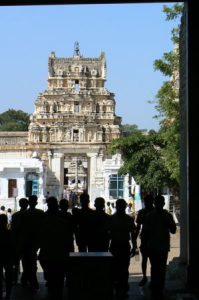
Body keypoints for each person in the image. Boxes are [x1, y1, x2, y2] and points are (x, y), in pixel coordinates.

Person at [142, 194, 177, 300]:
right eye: (158, 203)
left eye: (160, 203)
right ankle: (157, 289)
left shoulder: (164, 216)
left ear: (162, 204)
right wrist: (144, 245)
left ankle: (158, 289)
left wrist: (169, 224)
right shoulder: (153, 216)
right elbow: (145, 233)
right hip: (156, 246)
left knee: (158, 269)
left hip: (160, 246)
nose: (158, 204)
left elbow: (173, 230)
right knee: (158, 269)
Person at [108, 198, 137, 300]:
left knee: (116, 268)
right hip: (123, 246)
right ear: (125, 207)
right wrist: (134, 247)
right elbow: (133, 235)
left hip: (115, 246)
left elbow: (108, 235)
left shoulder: (111, 219)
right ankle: (123, 289)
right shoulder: (128, 219)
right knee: (124, 268)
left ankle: (117, 288)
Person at [19, 195, 45, 290]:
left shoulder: (23, 214)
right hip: (35, 242)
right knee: (32, 264)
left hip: (25, 242)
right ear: (36, 202)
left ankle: (26, 281)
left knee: (26, 263)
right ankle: (32, 281)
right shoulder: (40, 213)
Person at [135, 194, 154, 286]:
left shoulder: (142, 212)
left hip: (148, 238)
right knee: (150, 259)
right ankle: (147, 277)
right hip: (149, 238)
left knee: (146, 259)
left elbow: (138, 227)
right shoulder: (143, 212)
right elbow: (138, 227)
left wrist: (134, 238)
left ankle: (145, 277)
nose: (146, 204)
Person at [10, 198, 29, 284]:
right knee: (28, 263)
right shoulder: (31, 214)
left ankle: (15, 279)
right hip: (28, 242)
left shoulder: (15, 215)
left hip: (17, 242)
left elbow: (13, 230)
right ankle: (25, 279)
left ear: (19, 204)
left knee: (16, 262)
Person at [0, 214, 16, 300]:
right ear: (6, 222)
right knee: (9, 275)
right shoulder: (10, 233)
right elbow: (13, 246)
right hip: (8, 257)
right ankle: (8, 294)